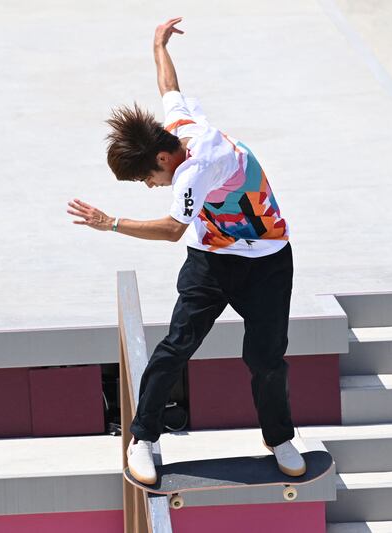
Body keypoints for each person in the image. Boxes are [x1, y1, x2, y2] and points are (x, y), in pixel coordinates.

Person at [67, 17, 305, 485]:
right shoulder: (180, 125)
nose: (151, 186)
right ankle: (144, 438)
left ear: (161, 160)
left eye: (146, 179)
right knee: (177, 345)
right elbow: (168, 87)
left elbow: (172, 229)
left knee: (266, 357)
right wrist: (158, 43)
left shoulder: (195, 168)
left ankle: (278, 437)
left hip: (268, 262)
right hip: (212, 261)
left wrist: (109, 222)